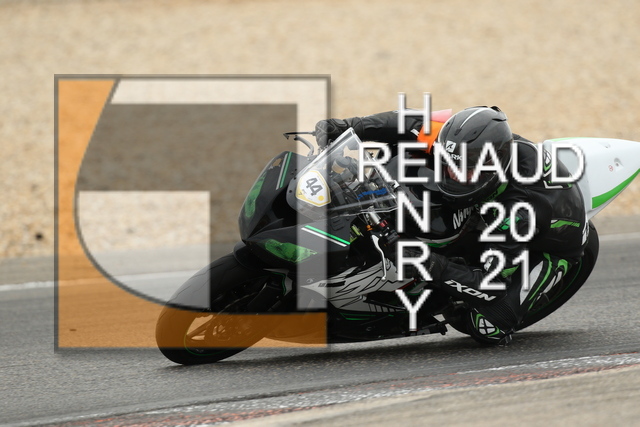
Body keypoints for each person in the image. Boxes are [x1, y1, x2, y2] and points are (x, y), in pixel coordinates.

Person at [315, 106, 590, 344]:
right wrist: (350, 126)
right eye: (449, 165)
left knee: (488, 326)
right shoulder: (461, 144)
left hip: (549, 247)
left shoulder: (516, 214)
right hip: (495, 208)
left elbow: (490, 286)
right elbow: (408, 122)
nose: (453, 175)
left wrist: (430, 264)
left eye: (464, 171)